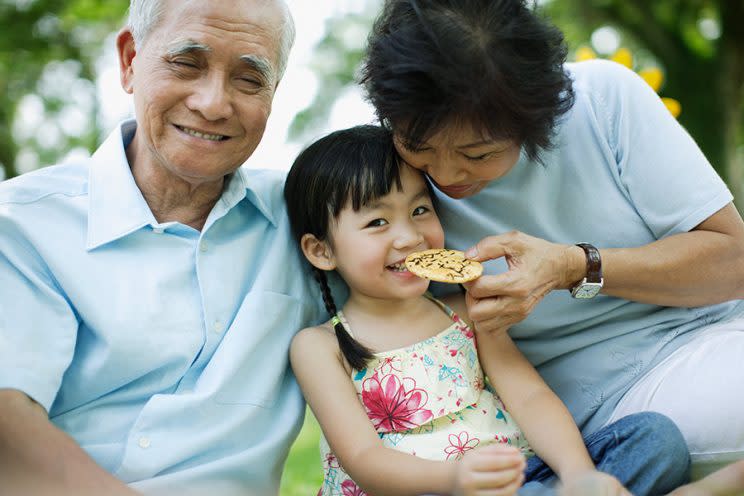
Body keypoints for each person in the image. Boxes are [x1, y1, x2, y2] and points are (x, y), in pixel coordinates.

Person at [361, 0, 744, 481]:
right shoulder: (391, 189)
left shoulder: (605, 100)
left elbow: (735, 264)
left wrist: (574, 267)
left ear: (535, 118)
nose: (443, 174)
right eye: (418, 148)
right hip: (599, 411)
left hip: (715, 338)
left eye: (477, 153)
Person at [0, 1, 321, 495]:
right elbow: (8, 424)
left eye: (249, 79)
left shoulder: (311, 219)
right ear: (130, 60)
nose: (214, 104)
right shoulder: (22, 222)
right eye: (186, 64)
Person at [282, 124, 704, 496]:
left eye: (419, 210)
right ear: (321, 250)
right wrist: (454, 480)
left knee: (654, 439)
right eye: (377, 222)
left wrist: (577, 476)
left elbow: (530, 396)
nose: (410, 237)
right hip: (429, 489)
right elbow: (363, 459)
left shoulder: (465, 311)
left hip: (522, 476)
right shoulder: (321, 346)